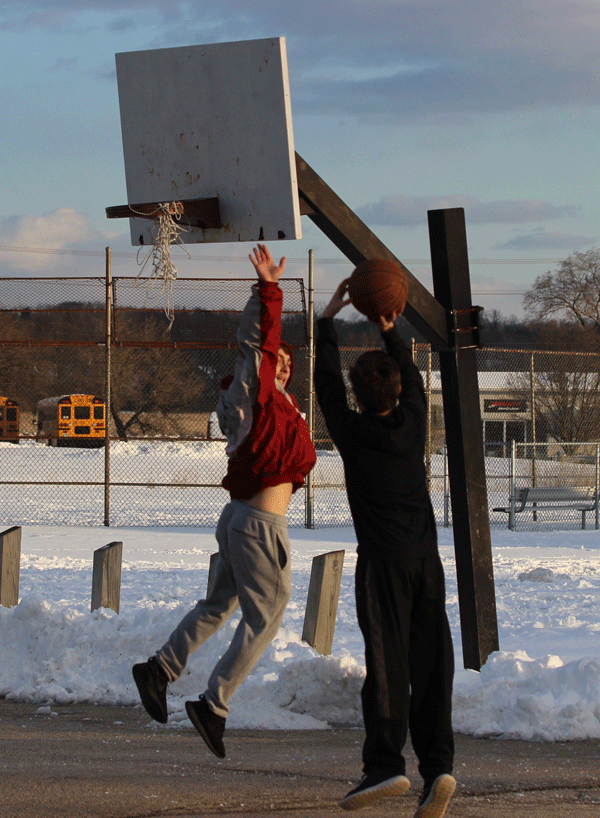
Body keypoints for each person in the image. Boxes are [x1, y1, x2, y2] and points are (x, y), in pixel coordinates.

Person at [132, 244, 316, 758]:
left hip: (241, 519)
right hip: (257, 524)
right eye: (273, 359)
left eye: (285, 362)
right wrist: (269, 290)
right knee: (267, 615)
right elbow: (257, 343)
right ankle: (213, 703)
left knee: (219, 603)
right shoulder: (252, 399)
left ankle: (159, 669)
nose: (279, 363)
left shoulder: (280, 406)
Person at [314, 278, 455, 818]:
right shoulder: (415, 422)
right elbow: (415, 378)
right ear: (397, 390)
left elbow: (325, 383)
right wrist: (390, 329)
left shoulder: (351, 432)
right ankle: (439, 765)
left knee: (387, 664)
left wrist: (328, 319)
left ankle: (385, 767)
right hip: (426, 562)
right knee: (432, 661)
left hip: (383, 568)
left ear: (357, 394)